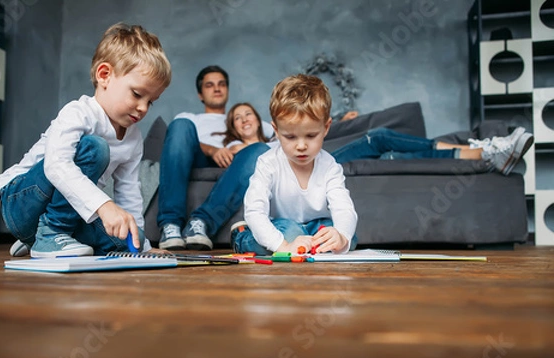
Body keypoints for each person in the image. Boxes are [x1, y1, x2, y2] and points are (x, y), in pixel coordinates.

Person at [0, 23, 172, 258]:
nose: (143, 108)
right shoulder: (79, 113)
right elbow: (56, 166)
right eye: (137, 94)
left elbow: (129, 190)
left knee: (126, 240)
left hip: (69, 214)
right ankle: (49, 233)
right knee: (95, 147)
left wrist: (143, 244)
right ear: (104, 75)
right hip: (20, 202)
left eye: (151, 101)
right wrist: (104, 205)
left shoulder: (134, 137)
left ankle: (36, 237)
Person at [218, 101, 533, 177]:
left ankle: (483, 155)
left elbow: (310, 132)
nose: (245, 119)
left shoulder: (279, 135)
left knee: (389, 157)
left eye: (249, 114)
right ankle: (483, 152)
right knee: (378, 138)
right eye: (237, 118)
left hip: (320, 161)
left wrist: (339, 123)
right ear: (233, 128)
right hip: (302, 172)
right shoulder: (236, 149)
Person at [231, 74, 358, 255]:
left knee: (347, 238)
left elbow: (344, 209)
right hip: (281, 226)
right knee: (291, 232)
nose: (301, 146)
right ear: (276, 130)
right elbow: (255, 212)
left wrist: (341, 236)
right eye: (290, 137)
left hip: (315, 226)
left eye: (311, 136)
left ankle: (310, 243)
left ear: (326, 127)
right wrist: (284, 247)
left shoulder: (330, 166)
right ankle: (241, 237)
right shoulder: (268, 162)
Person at [156, 66, 274, 251]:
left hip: (235, 165)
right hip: (200, 159)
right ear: (200, 94)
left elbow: (279, 138)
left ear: (227, 89)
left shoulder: (241, 117)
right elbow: (179, 141)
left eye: (221, 84)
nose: (217, 88)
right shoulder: (190, 118)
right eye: (210, 85)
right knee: (180, 125)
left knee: (259, 149)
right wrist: (213, 150)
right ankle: (170, 225)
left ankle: (201, 223)